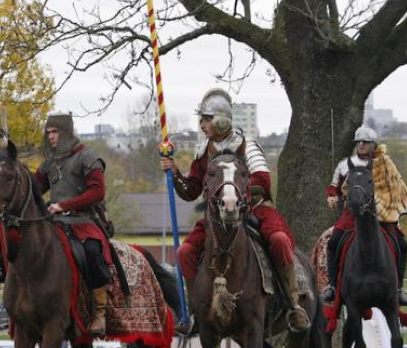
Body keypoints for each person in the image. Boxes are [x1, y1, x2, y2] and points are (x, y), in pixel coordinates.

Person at [160, 88, 310, 333]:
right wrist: (175, 173)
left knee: (280, 240)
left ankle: (292, 304)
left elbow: (263, 181)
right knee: (184, 252)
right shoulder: (203, 151)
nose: (202, 125)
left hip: (253, 211)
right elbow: (191, 190)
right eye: (201, 120)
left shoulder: (246, 145)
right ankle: (195, 310)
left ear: (221, 120)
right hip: (216, 219)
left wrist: (233, 193)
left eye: (206, 119)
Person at [35, 112, 113, 336]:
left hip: (83, 220)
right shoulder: (50, 161)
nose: (50, 136)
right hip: (55, 222)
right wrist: (4, 162)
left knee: (91, 252)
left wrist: (63, 205)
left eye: (55, 132)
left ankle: (100, 312)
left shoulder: (87, 156)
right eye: (48, 132)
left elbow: (97, 192)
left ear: (66, 133)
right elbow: (34, 189)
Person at [322, 126, 407, 305]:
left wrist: (385, 205)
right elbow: (334, 187)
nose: (361, 144)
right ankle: (332, 286)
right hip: (351, 215)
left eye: (365, 142)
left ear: (373, 144)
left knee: (401, 244)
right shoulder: (345, 164)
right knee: (334, 242)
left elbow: (395, 187)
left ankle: (398, 288)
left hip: (380, 215)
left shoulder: (385, 164)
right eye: (358, 142)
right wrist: (332, 196)